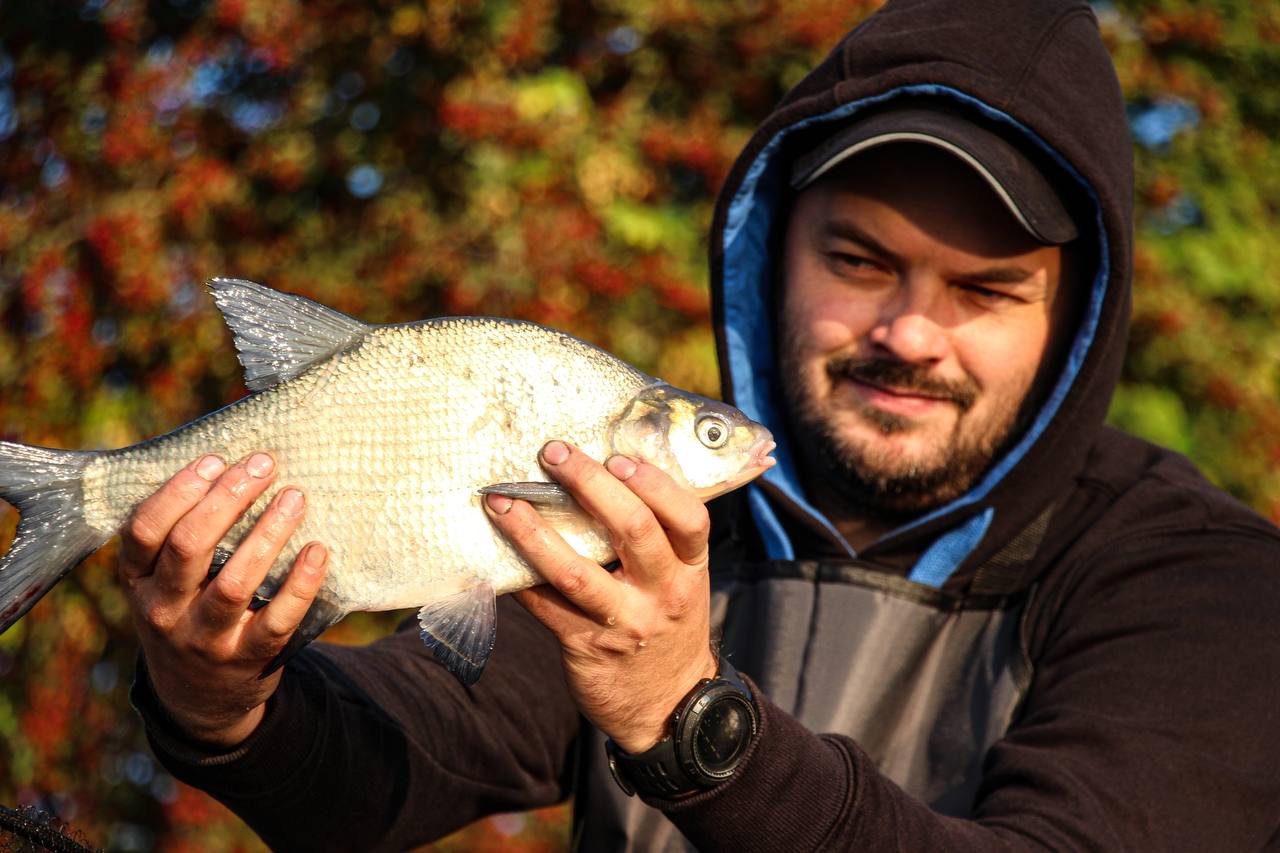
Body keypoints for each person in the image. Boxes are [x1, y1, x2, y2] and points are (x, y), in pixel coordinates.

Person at [121, 0, 1280, 849]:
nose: (911, 333)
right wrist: (223, 699)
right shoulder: (645, 509)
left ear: (1076, 320)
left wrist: (688, 720)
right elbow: (406, 747)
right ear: (768, 257)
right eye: (859, 260)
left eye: (983, 291)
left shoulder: (1205, 585)